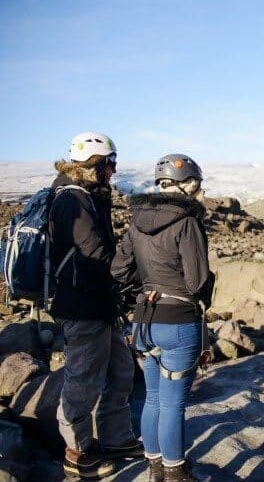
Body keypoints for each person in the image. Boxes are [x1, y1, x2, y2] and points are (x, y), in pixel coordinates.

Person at [111, 154, 213, 482]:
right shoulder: (187, 220)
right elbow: (197, 281)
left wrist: (142, 293)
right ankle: (174, 472)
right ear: (189, 184)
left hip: (143, 322)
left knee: (153, 398)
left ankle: (154, 466)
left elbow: (118, 270)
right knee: (172, 404)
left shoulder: (137, 219)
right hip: (178, 323)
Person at [49, 132, 143, 479]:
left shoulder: (88, 196)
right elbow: (94, 254)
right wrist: (128, 269)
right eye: (110, 163)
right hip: (82, 304)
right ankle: (76, 451)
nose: (114, 170)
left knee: (120, 371)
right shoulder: (73, 201)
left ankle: (116, 438)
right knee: (84, 379)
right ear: (96, 164)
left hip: (100, 303)